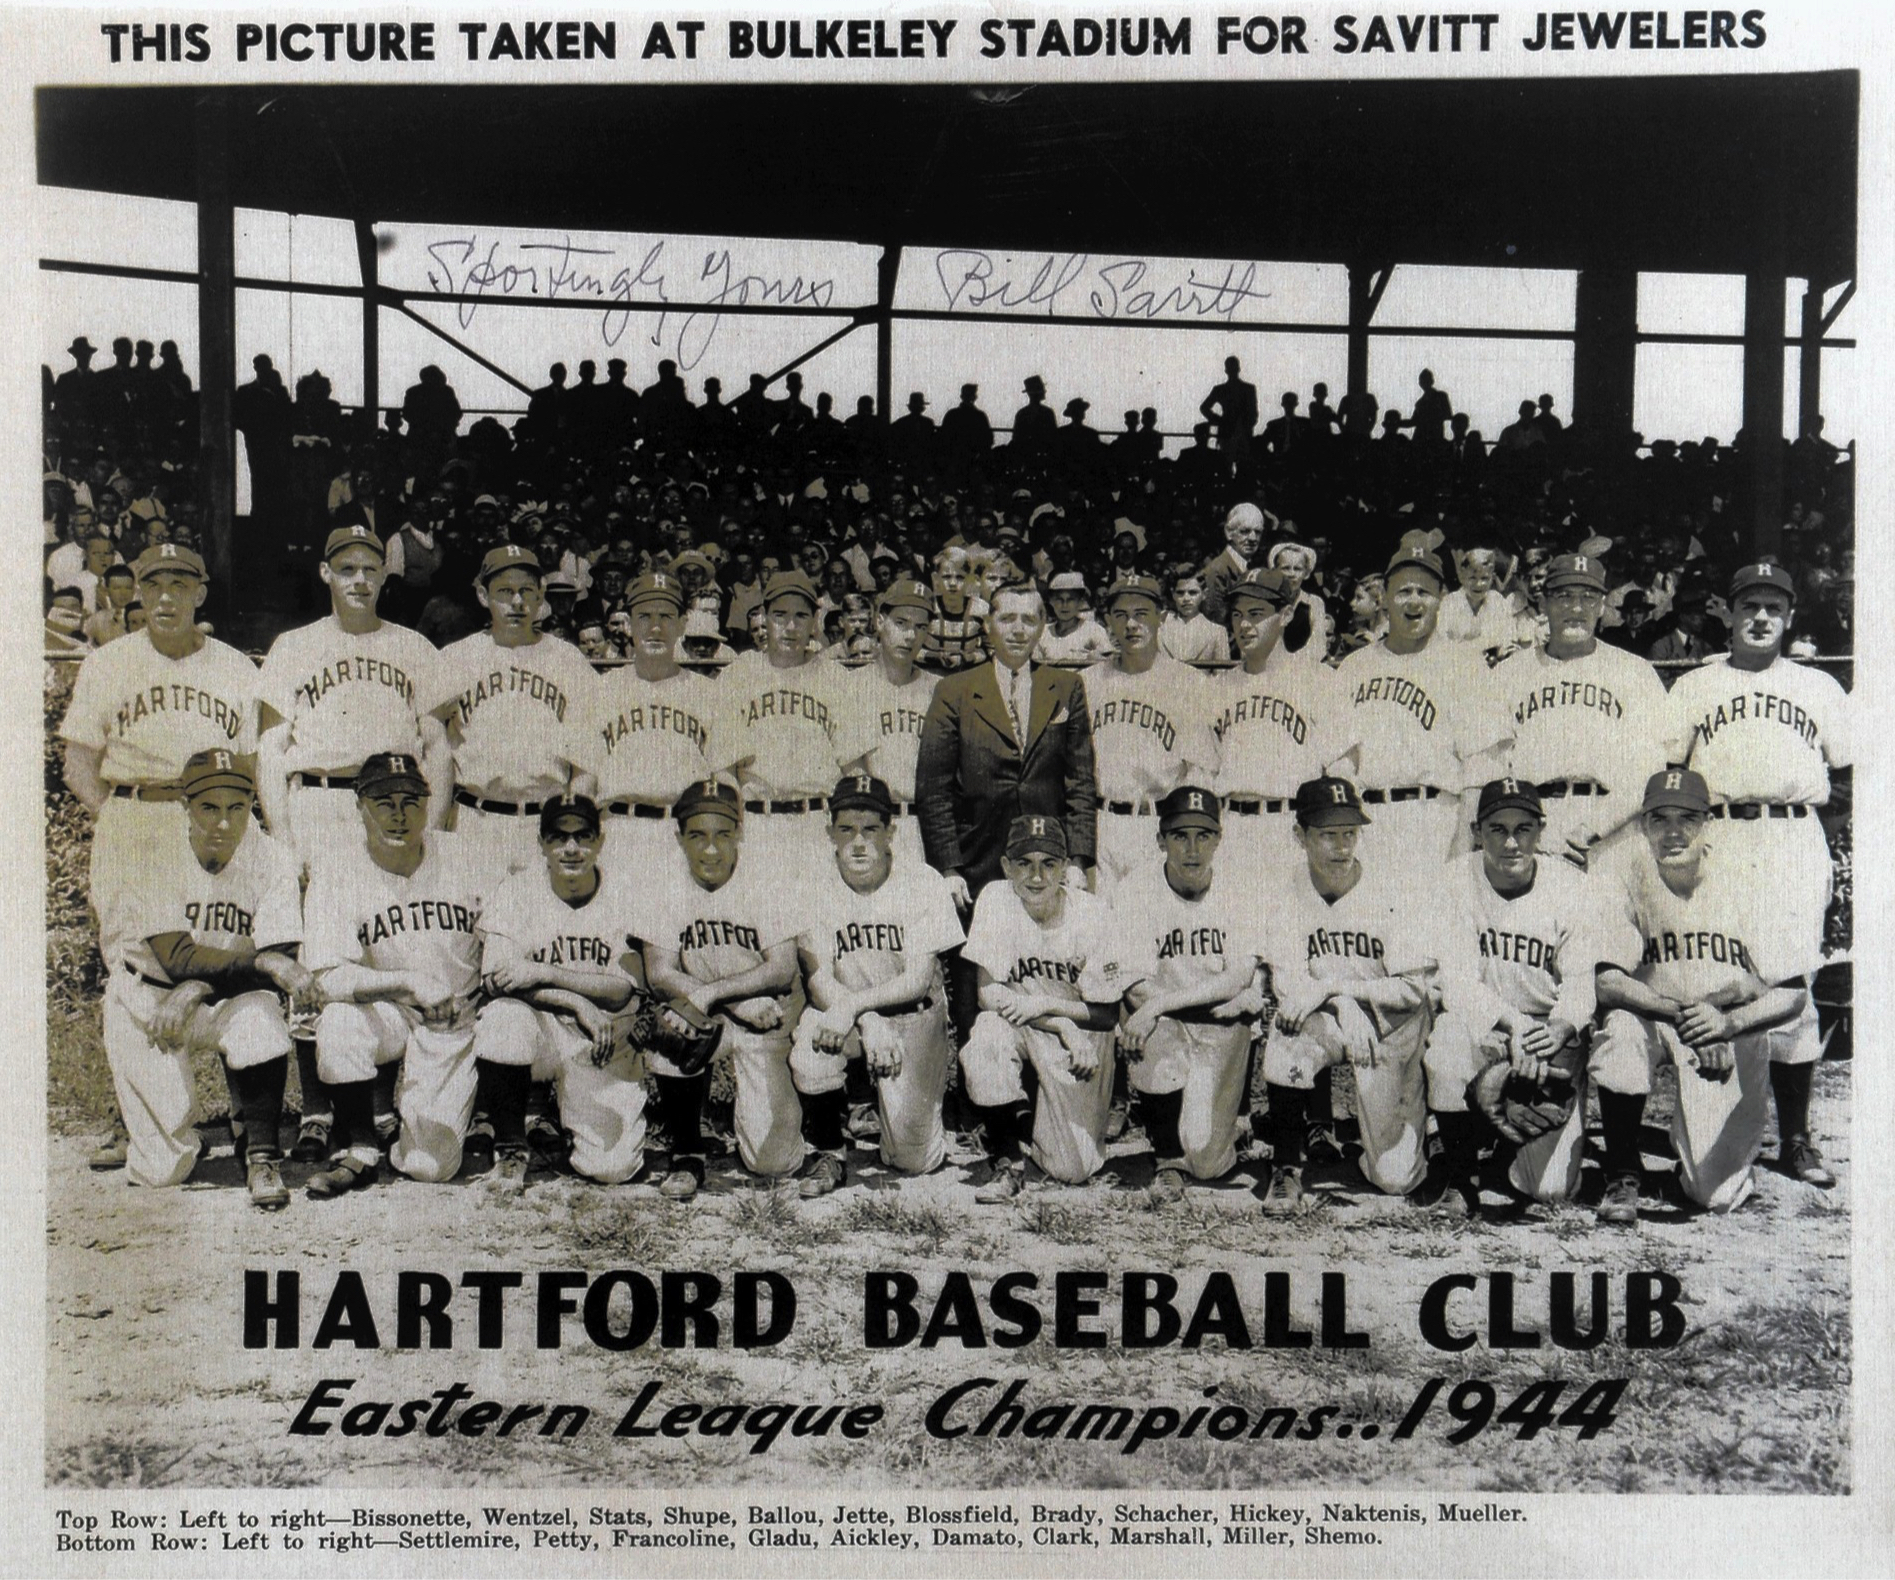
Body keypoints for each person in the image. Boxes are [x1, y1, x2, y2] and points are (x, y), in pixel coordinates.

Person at [59, 542, 263, 1168]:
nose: (167, 597)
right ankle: (138, 1124)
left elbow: (253, 765)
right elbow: (78, 767)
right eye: (154, 586)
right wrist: (124, 822)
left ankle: (247, 1120)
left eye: (181, 584)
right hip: (135, 813)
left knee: (224, 955)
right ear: (136, 594)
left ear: (202, 592)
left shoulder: (235, 668)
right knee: (132, 971)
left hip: (213, 823)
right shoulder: (108, 664)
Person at [254, 523, 453, 1163]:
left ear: (384, 575)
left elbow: (439, 748)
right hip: (316, 800)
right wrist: (282, 832)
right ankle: (316, 1108)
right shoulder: (292, 646)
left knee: (387, 940)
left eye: (370, 568)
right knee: (317, 953)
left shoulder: (415, 647)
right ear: (325, 573)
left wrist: (438, 825)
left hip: (390, 800)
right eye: (347, 569)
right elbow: (270, 748)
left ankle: (379, 1100)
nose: (360, 579)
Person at [1666, 560, 1851, 1188]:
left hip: (1794, 834)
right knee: (1726, 977)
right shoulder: (1694, 686)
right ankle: (1726, 1130)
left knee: (1792, 980)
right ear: (1731, 612)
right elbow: (1667, 771)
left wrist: (1817, 834)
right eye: (1751, 605)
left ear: (1790, 616)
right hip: (1720, 834)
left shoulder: (1819, 687)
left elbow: (1851, 770)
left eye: (1774, 606)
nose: (1762, 617)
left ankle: (1796, 1138)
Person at [1591, 770, 1816, 1223]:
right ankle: (1622, 1171)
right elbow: (1608, 982)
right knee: (1620, 1032)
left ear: (1708, 822)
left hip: (1728, 1028)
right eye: (1659, 819)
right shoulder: (1620, 871)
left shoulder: (1748, 875)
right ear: (1642, 825)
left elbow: (1793, 994)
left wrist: (1729, 1023)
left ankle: (1689, 1160)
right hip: (1658, 1015)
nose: (1672, 832)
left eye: (1686, 819)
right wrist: (1686, 1017)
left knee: (1715, 1193)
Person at [100, 750, 305, 1203]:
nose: (224, 823)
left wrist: (196, 986)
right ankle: (143, 1119)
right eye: (209, 807)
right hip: (148, 999)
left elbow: (280, 956)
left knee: (261, 1024)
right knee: (165, 1169)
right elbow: (175, 957)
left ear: (252, 804)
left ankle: (262, 1154)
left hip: (218, 995)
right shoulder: (153, 854)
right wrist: (198, 977)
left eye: (237, 808)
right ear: (185, 807)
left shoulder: (271, 858)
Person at [298, 752, 486, 1195]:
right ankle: (361, 1149)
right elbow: (326, 977)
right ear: (360, 806)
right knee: (340, 1024)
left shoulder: (466, 856)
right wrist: (404, 983)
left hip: (455, 1020)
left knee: (429, 1166)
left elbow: (503, 943)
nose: (399, 815)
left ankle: (431, 1118)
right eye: (384, 803)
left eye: (410, 801)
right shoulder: (337, 869)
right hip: (396, 1010)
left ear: (428, 804)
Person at [1257, 777, 1442, 1212]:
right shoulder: (1284, 894)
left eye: (1349, 834)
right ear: (1299, 836)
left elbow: (1414, 989)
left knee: (1395, 1181)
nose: (1342, 847)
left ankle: (1398, 1137)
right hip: (1333, 1020)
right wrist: (1340, 1004)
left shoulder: (1391, 890)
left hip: (1392, 1030)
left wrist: (1341, 989)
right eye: (1327, 835)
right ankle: (1286, 1169)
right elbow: (1289, 986)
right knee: (1287, 1037)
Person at [1424, 778, 1603, 1214]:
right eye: (1497, 829)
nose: (1510, 842)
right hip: (1485, 1024)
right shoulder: (1454, 879)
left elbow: (1581, 980)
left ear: (1541, 831)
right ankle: (1461, 1177)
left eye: (1523, 829)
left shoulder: (1570, 884)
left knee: (1550, 1189)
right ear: (1477, 831)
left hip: (1548, 1035)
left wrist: (1559, 1029)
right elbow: (1459, 983)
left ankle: (1500, 1142)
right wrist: (1514, 1032)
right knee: (1446, 1046)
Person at [790, 774, 965, 1193]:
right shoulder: (810, 882)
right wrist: (866, 1019)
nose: (859, 842)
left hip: (913, 1020)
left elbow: (918, 980)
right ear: (829, 830)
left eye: (871, 829)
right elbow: (818, 980)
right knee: (810, 1047)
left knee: (913, 1160)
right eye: (846, 829)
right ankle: (829, 1152)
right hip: (850, 1020)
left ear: (891, 831)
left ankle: (890, 1115)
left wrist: (858, 1011)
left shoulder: (922, 881)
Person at [472, 794, 648, 1193]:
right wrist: (576, 1001)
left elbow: (623, 988)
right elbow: (495, 979)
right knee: (503, 1018)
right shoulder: (517, 890)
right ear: (541, 844)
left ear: (600, 841)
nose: (571, 848)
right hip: (544, 1030)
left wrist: (545, 971)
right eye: (558, 837)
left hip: (602, 1037)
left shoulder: (624, 892)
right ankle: (511, 1146)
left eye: (583, 836)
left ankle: (565, 1121)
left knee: (612, 1169)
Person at [638, 779, 805, 1189]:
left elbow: (782, 970)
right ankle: (687, 1150)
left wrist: (712, 993)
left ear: (740, 833)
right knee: (671, 1030)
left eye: (722, 835)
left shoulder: (768, 878)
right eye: (697, 835)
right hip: (725, 1008)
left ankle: (798, 1123)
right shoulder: (660, 883)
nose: (710, 849)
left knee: (773, 1163)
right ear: (679, 838)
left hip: (769, 1017)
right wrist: (729, 1003)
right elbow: (659, 974)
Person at [958, 815, 1128, 1202]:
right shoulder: (997, 899)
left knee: (1072, 1169)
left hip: (1083, 1037)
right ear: (1006, 866)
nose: (1036, 877)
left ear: (1066, 869)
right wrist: (1060, 1024)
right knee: (986, 1037)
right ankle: (1006, 1161)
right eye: (1024, 863)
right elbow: (988, 994)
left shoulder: (1093, 914)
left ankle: (1027, 1112)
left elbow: (1106, 1014)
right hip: (1025, 1024)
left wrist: (1057, 1014)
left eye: (1048, 864)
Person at [1116, 787, 1265, 1201]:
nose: (1193, 848)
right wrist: (1157, 1009)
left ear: (1219, 838)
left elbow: (1239, 976)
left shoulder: (1240, 887)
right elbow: (1134, 984)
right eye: (1180, 836)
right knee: (1150, 1023)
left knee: (1207, 1162)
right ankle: (1166, 1158)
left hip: (1220, 1031)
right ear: (1160, 840)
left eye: (1204, 835)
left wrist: (1162, 1003)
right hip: (1171, 1027)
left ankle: (1222, 1126)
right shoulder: (1135, 890)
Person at [1326, 537, 1511, 864]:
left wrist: (1460, 850)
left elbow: (1480, 772)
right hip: (1366, 825)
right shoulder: (1356, 667)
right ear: (1383, 598)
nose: (1414, 602)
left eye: (1424, 592)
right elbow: (1340, 762)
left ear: (1442, 597)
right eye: (1404, 591)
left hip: (1435, 822)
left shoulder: (1466, 665)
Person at [916, 581, 1100, 906]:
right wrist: (948, 868)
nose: (1018, 630)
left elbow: (1080, 782)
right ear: (988, 625)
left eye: (1029, 620)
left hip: (1047, 860)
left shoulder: (1066, 687)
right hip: (977, 861)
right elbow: (934, 788)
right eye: (1007, 619)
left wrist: (1079, 859)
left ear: (1043, 626)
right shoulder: (954, 690)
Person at [425, 544, 601, 875]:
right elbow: (438, 758)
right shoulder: (455, 659)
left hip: (545, 824)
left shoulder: (570, 661)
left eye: (526, 591)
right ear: (482, 595)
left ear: (540, 595)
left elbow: (585, 765)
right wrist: (433, 834)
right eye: (505, 592)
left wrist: (572, 830)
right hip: (475, 820)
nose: (517, 602)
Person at [1489, 551, 1671, 871]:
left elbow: (1648, 769)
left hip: (1612, 830)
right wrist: (1533, 831)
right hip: (1532, 832)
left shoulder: (1635, 672)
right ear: (1544, 604)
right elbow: (1493, 769)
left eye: (1588, 598)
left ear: (1602, 606)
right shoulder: (1508, 674)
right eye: (1563, 597)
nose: (1576, 608)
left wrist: (1591, 829)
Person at [1083, 573, 1220, 896]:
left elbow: (1200, 772)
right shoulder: (1087, 681)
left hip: (1156, 822)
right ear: (1108, 622)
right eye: (1121, 615)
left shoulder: (1188, 682)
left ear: (1162, 618)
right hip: (1100, 822)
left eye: (1141, 614)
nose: (1131, 624)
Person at [712, 569, 850, 866]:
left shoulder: (836, 677)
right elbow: (725, 769)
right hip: (757, 822)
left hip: (818, 821)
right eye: (780, 615)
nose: (790, 626)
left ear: (815, 621)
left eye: (801, 616)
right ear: (764, 616)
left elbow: (852, 767)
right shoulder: (739, 674)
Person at [590, 569, 718, 859]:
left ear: (683, 624)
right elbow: (585, 778)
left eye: (666, 617)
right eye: (645, 617)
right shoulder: (601, 690)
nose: (655, 628)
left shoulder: (708, 693)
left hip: (684, 833)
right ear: (629, 624)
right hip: (618, 831)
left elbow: (721, 778)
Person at [835, 579, 940, 869]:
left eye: (920, 627)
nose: (910, 635)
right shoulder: (852, 686)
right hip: (873, 823)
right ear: (880, 622)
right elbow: (853, 768)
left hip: (924, 827)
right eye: (901, 622)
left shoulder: (938, 689)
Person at [1198, 501, 1269, 622]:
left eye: (1257, 532)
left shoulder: (1251, 567)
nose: (1253, 538)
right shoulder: (1216, 572)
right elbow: (1216, 627)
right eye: (1245, 531)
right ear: (1229, 532)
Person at [1036, 571, 1116, 665]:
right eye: (1059, 599)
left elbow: (1110, 663)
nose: (1064, 605)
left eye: (1071, 599)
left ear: (1080, 602)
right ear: (1051, 601)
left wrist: (1095, 657)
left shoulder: (1094, 630)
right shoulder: (1043, 633)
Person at [1158, 566, 1230, 664]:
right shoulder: (1159, 625)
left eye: (1193, 593)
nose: (1186, 598)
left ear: (1204, 594)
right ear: (1173, 594)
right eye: (1180, 593)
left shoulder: (1216, 632)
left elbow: (1221, 676)